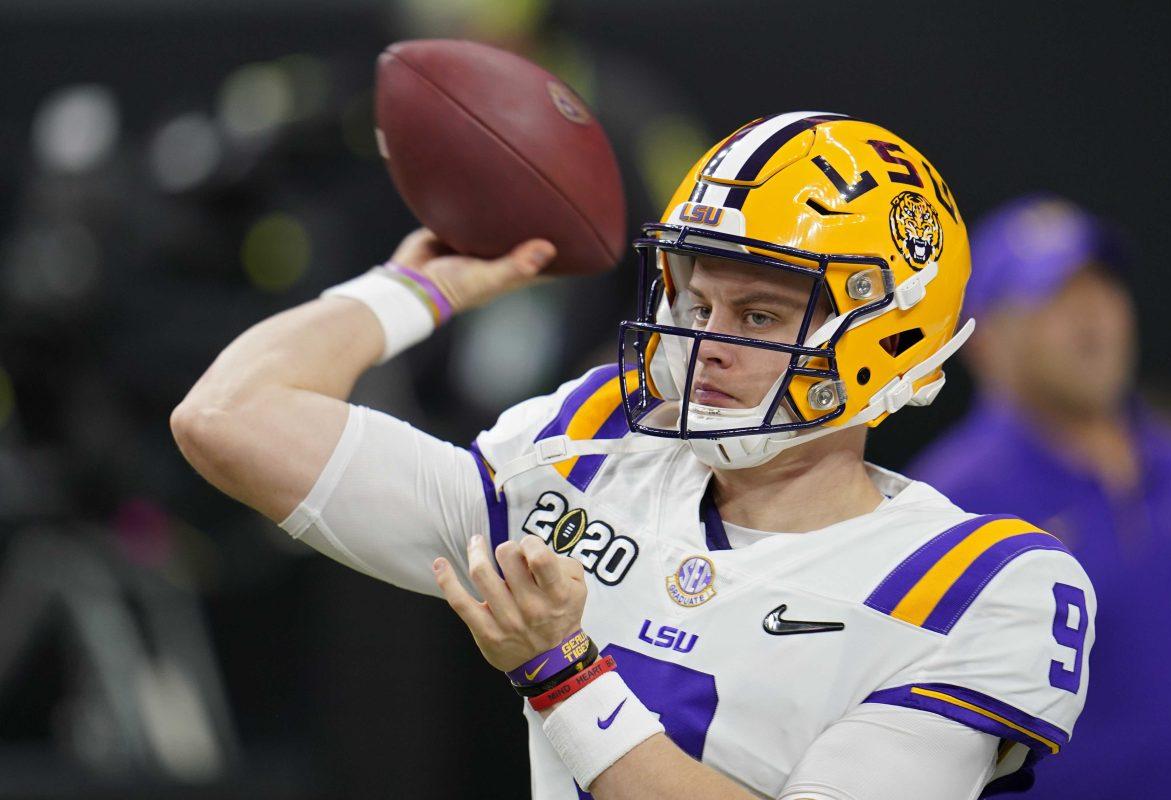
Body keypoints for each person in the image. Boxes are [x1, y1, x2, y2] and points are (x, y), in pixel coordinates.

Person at [171, 113, 1095, 799]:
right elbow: (228, 416)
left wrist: (564, 675)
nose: (709, 344)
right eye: (698, 306)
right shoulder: (596, 448)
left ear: (889, 335)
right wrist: (413, 287)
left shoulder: (980, 586)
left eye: (760, 315)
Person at [908, 194, 1171, 798]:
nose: (1092, 317)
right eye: (1055, 299)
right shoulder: (948, 509)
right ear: (987, 343)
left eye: (1102, 289)